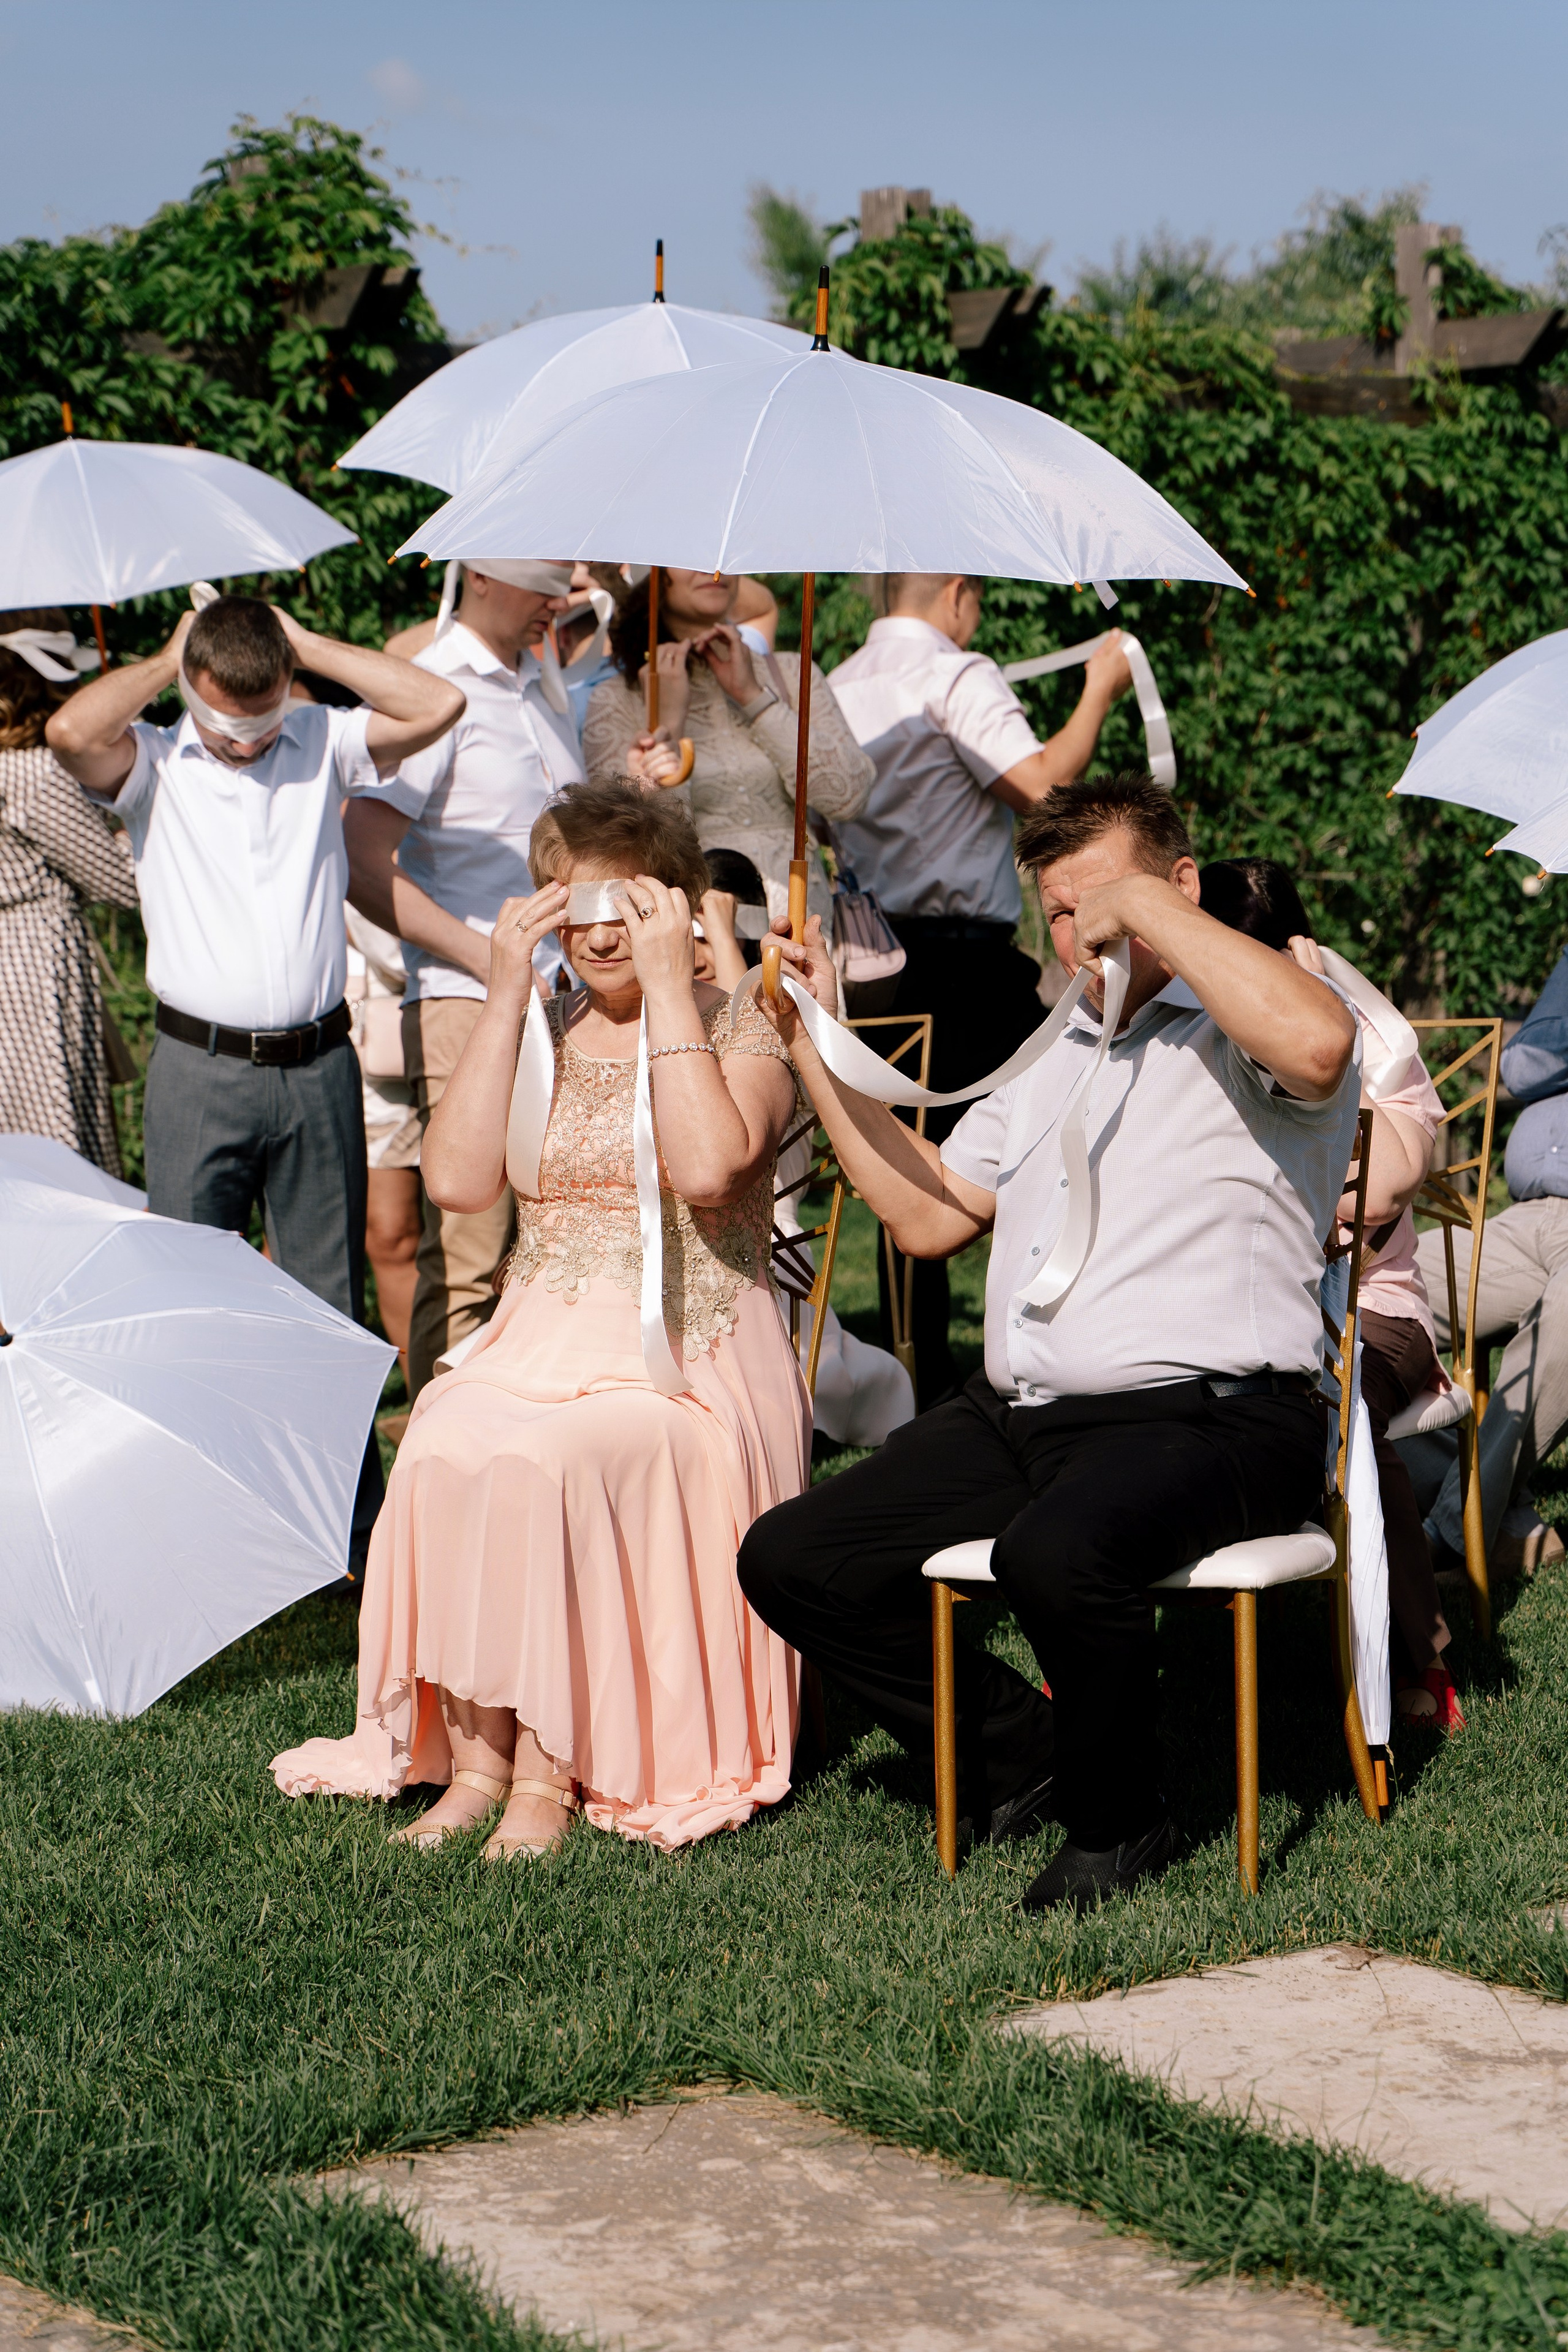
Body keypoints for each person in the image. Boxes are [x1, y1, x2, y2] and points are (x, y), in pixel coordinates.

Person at [737, 775, 1359, 1913]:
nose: (1085, 934)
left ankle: (1120, 1817)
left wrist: (1149, 907)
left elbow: (1321, 1049)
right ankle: (1025, 1753)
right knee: (793, 1558)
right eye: (1062, 913)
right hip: (1021, 1416)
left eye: (1105, 900)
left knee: (1055, 1552)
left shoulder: (1251, 1021)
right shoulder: (1054, 1045)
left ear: (1181, 885)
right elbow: (927, 1216)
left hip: (1218, 1418)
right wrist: (813, 1044)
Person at [272, 780, 807, 1856]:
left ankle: (546, 1773)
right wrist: (506, 994)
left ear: (668, 908)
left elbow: (709, 1170)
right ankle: (477, 1764)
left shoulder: (741, 1025)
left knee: (550, 1461)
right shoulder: (544, 1027)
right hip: (537, 1338)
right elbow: (459, 1184)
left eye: (624, 909)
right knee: (439, 1441)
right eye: (574, 907)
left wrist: (672, 989)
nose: (598, 935)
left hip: (681, 1358)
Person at [47, 594, 464, 1591]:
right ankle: (196, 1541)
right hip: (199, 1072)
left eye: (264, 719)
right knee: (187, 1307)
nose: (245, 743)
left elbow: (438, 704)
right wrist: (169, 656)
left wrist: (305, 643)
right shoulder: (153, 759)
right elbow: (68, 732)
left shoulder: (323, 739)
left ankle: (348, 1546)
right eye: (227, 723)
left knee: (327, 1313)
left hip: (319, 1065)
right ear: (193, 691)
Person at [825, 573, 1134, 1406]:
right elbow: (1045, 792)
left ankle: (915, 1367)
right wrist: (1098, 691)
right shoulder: (954, 675)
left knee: (908, 1160)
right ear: (956, 591)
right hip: (965, 963)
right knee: (1066, 1122)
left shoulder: (839, 686)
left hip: (875, 961)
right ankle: (1060, 1340)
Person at [1200, 858, 1463, 1733]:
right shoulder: (1195, 1048)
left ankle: (1422, 1653)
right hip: (1232, 1311)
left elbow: (1377, 1192)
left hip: (1375, 1313)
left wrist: (1321, 1022)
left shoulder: (1373, 1047)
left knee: (1340, 1413)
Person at [344, 559, 583, 1397]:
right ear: (480, 573)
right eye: (543, 579)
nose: (561, 599)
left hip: (565, 1005)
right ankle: (438, 1448)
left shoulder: (543, 686)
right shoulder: (433, 690)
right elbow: (360, 861)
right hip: (468, 1007)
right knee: (469, 1258)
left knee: (549, 1251)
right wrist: (488, 956)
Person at [582, 567, 873, 928]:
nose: (713, 570)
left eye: (723, 558)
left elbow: (849, 797)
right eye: (690, 557)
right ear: (653, 575)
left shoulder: (792, 674)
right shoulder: (617, 699)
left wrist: (754, 699)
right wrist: (669, 722)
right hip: (696, 934)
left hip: (801, 927)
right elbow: (627, 846)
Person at [1408, 940, 1568, 1581]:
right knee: (1363, 1288)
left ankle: (1457, 1528)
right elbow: (1523, 1066)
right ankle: (1501, 1516)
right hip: (1527, 1219)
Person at [0, 609, 137, 1175]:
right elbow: (121, 884)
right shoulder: (32, 773)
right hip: (33, 970)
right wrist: (134, 825)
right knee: (55, 1149)